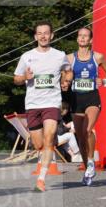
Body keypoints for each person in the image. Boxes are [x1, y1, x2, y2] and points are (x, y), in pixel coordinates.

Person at [13, 22, 72, 192]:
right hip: (32, 104)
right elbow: (16, 79)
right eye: (40, 33)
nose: (43, 36)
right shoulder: (26, 56)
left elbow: (68, 70)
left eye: (46, 33)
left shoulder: (59, 55)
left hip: (52, 103)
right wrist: (25, 76)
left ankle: (41, 179)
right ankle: (51, 140)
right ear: (35, 37)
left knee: (49, 137)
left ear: (52, 36)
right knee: (39, 143)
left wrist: (66, 80)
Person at [64, 26, 106, 186]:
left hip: (92, 97)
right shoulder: (69, 58)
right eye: (80, 36)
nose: (82, 38)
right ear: (77, 39)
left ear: (91, 40)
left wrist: (104, 81)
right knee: (80, 137)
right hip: (76, 99)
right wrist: (65, 82)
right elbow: (64, 77)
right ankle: (87, 169)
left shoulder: (98, 57)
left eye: (86, 36)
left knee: (87, 129)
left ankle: (91, 161)